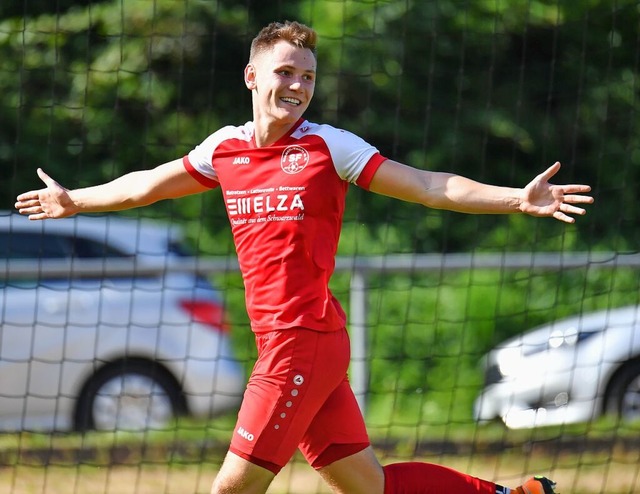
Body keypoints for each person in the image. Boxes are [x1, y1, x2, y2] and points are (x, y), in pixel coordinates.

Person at [15, 20, 592, 494]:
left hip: (303, 338)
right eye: (285, 72)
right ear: (251, 76)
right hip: (289, 341)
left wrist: (516, 198)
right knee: (371, 488)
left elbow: (426, 185)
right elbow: (146, 186)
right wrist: (75, 202)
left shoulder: (328, 146)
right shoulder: (226, 148)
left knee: (231, 490)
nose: (297, 85)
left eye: (308, 76)